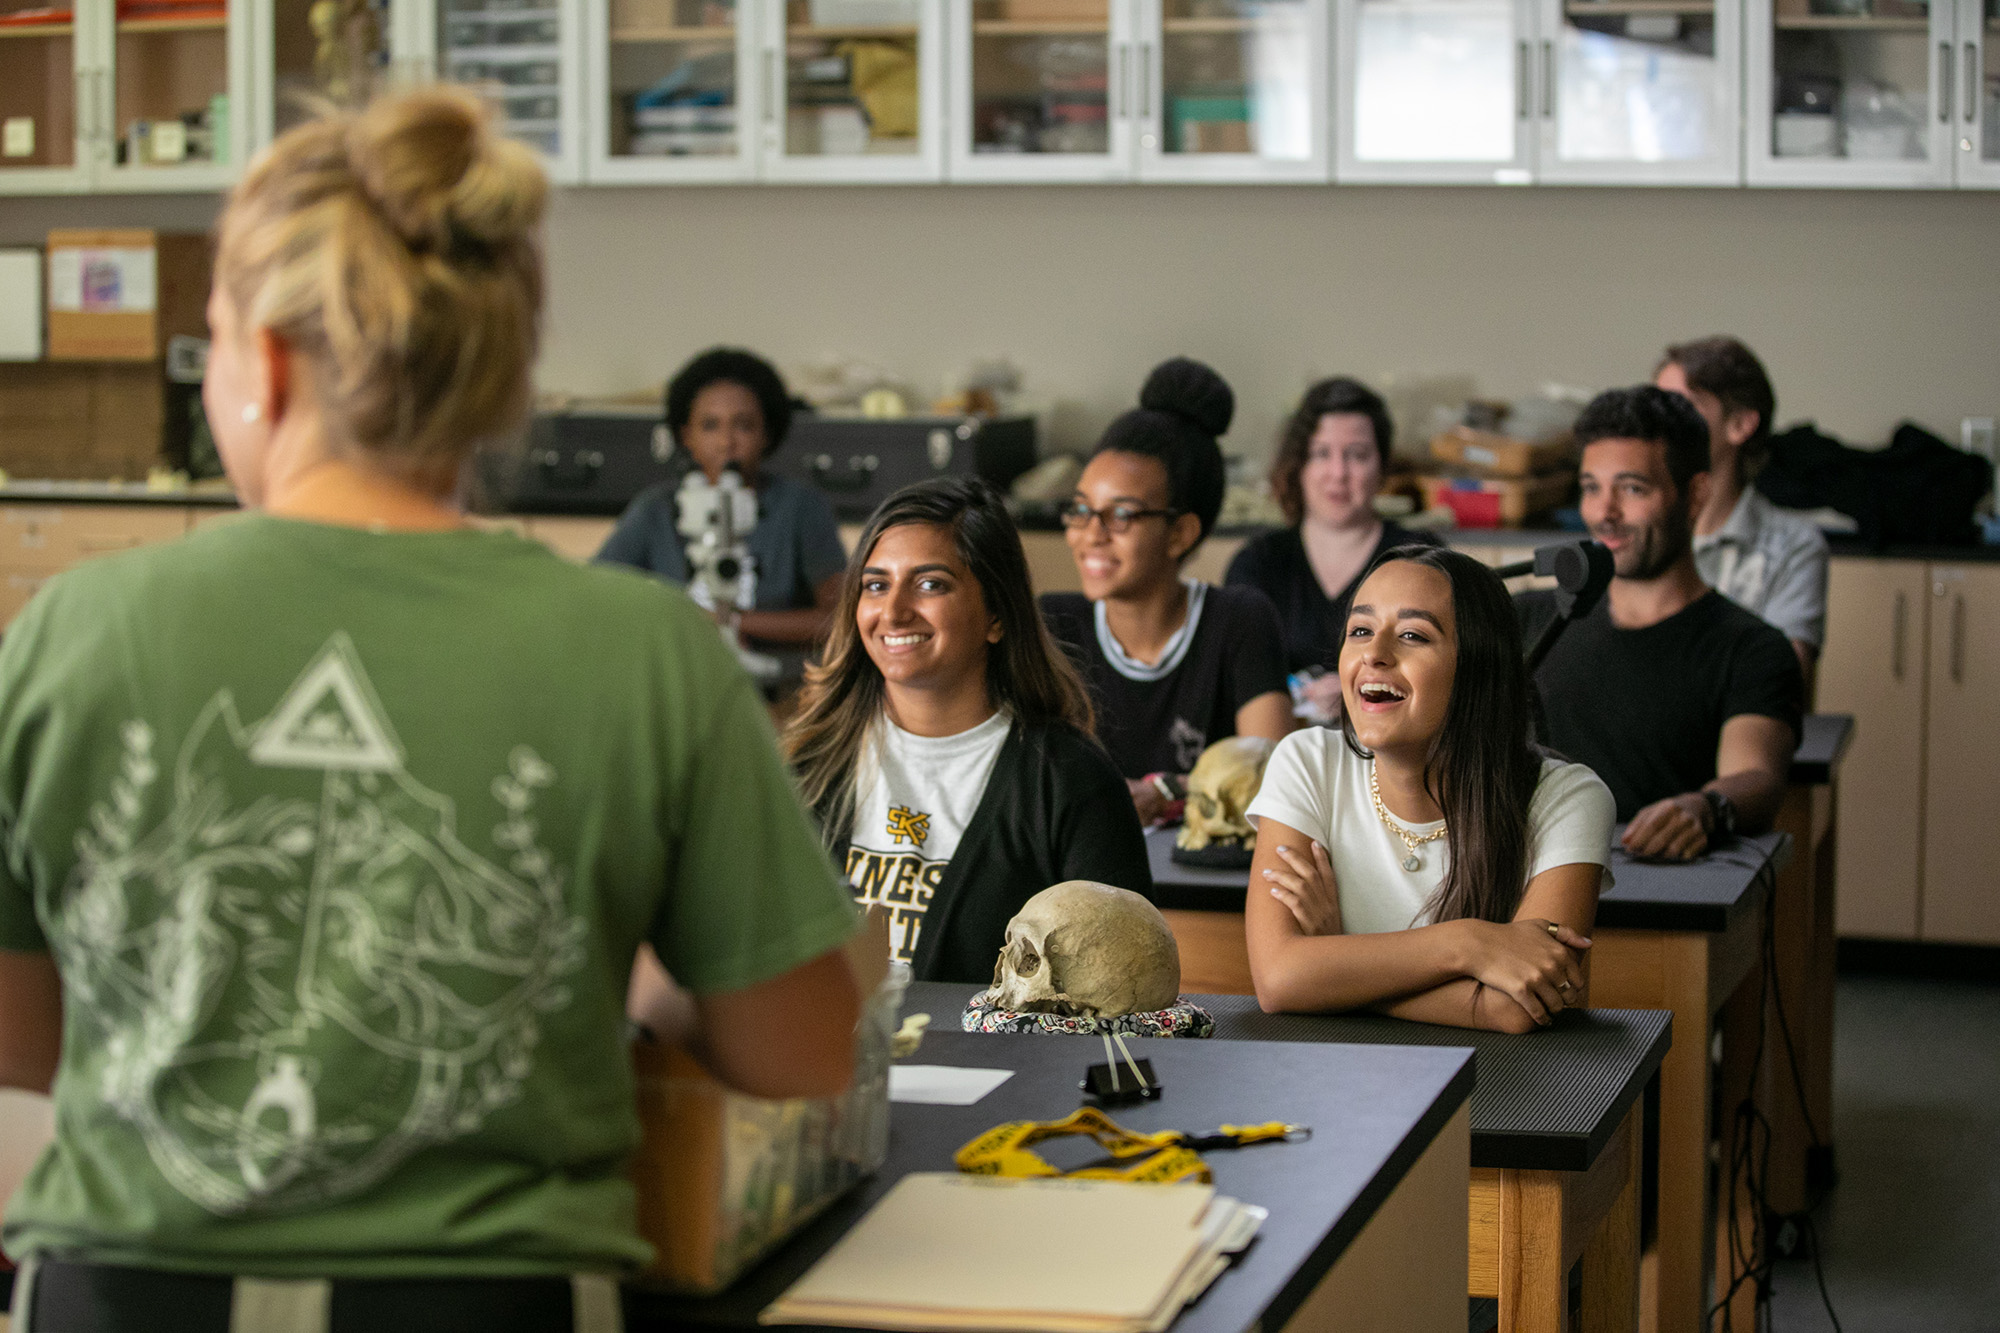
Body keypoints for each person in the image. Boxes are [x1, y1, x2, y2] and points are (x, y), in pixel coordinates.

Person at [0, 88, 861, 1331]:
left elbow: (22, 1055)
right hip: (489, 1304)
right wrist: (646, 979)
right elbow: (803, 1050)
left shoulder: (70, 630)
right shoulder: (644, 652)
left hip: (119, 1300)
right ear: (501, 374)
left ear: (270, 361)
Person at [785, 477, 1151, 984]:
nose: (893, 611)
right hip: (822, 1060)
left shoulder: (1071, 781)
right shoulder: (806, 768)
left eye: (930, 584)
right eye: (875, 584)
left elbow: (1117, 994)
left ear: (997, 615)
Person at [1243, 547, 1614, 1033]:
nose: (1374, 653)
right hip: (1331, 1082)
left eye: (1413, 635)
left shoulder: (1568, 799)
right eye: (1360, 630)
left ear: (1477, 670)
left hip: (1499, 1091)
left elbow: (1518, 1009)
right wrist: (1469, 945)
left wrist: (1337, 970)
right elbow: (1279, 979)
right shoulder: (1306, 762)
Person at [1522, 385, 1805, 863]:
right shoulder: (1528, 617)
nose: (1604, 514)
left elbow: (1756, 774)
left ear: (1695, 494)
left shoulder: (1751, 648)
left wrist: (1704, 807)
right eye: (1592, 488)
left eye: (1632, 488)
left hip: (1658, 885)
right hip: (1524, 883)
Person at [1040, 357, 1293, 825]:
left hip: (1206, 880)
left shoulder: (1238, 620)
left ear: (1181, 533)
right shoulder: (1055, 626)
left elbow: (1271, 776)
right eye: (1080, 509)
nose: (1091, 533)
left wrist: (1162, 792)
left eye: (1121, 516)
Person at [597, 347, 847, 647]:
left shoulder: (802, 507)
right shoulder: (655, 509)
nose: (727, 442)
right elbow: (598, 593)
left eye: (743, 425)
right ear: (686, 435)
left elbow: (838, 619)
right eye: (710, 425)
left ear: (766, 433)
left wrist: (733, 621)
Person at [1226, 377, 1441, 718]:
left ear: (1382, 466)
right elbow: (1235, 682)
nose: (1338, 473)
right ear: (1299, 466)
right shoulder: (1257, 562)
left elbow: (1441, 672)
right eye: (1321, 453)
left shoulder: (1421, 557)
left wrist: (1357, 691)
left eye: (1357, 455)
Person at [1655, 336, 1828, 686]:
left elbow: (1781, 684)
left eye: (1682, 407)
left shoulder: (1793, 546)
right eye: (1656, 408)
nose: (1660, 426)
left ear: (1740, 425)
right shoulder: (1638, 532)